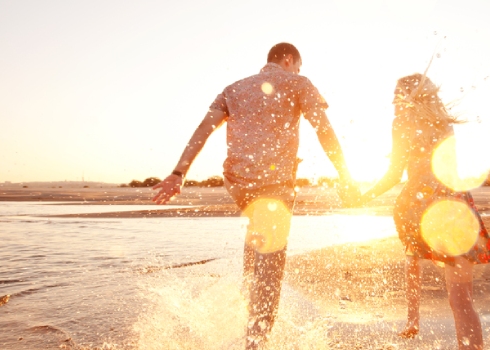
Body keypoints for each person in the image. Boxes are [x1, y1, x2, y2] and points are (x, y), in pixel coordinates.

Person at [151, 42, 358, 349]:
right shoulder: (299, 83)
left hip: (238, 183)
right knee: (271, 270)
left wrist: (178, 173)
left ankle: (247, 314)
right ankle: (255, 343)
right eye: (297, 67)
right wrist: (345, 176)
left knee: (256, 244)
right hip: (273, 183)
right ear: (289, 60)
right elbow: (323, 130)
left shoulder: (233, 89)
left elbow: (203, 129)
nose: (299, 72)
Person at [358, 73, 490, 350]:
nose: (392, 100)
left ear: (408, 97)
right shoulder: (445, 123)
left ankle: (413, 318)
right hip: (456, 206)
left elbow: (394, 174)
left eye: (396, 94)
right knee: (462, 301)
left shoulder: (401, 122)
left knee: (413, 252)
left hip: (422, 204)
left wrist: (362, 196)